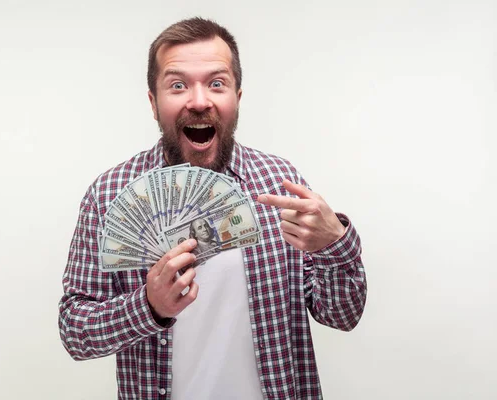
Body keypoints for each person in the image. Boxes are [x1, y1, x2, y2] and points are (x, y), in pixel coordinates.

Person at [59, 17, 367, 399]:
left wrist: (334, 244)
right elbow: (75, 332)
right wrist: (148, 306)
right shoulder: (109, 194)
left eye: (217, 83)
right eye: (177, 85)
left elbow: (342, 314)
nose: (200, 101)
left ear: (237, 97)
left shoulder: (280, 182)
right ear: (154, 103)